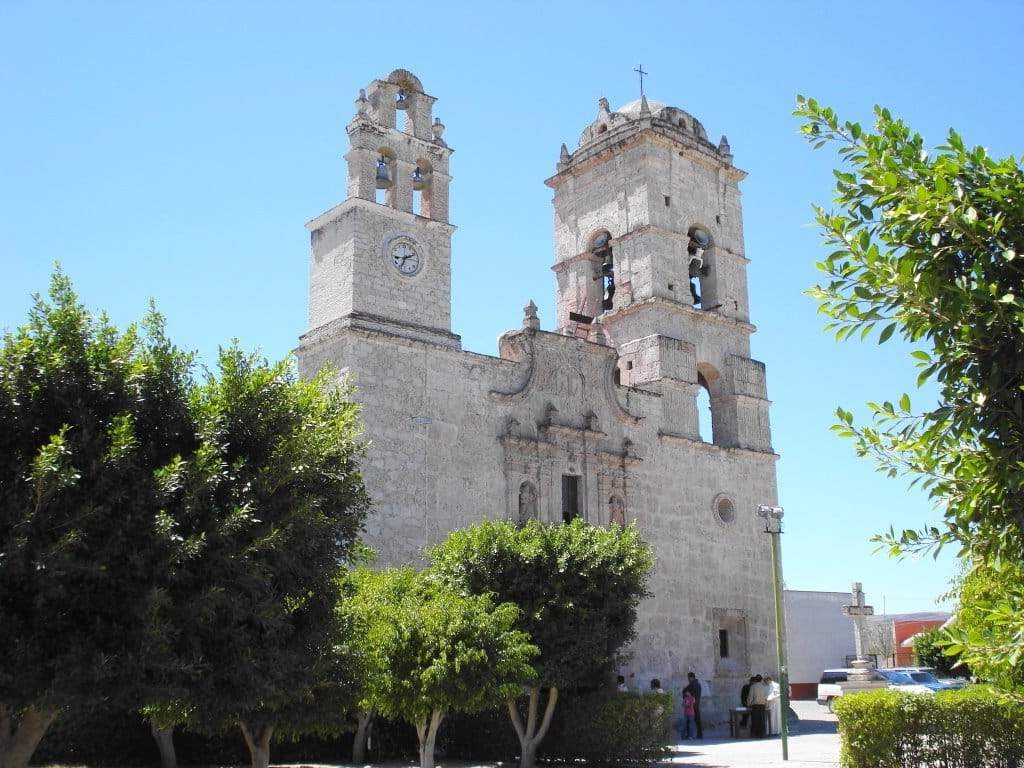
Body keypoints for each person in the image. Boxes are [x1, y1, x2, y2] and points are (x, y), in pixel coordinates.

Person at [683, 672, 703, 739]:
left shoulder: (692, 684)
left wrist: (684, 690)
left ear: (691, 677)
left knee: (689, 721)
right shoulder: (698, 684)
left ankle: (689, 735)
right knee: (697, 720)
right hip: (696, 704)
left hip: (691, 706)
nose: (688, 679)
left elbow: (686, 692)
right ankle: (699, 734)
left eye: (688, 678)